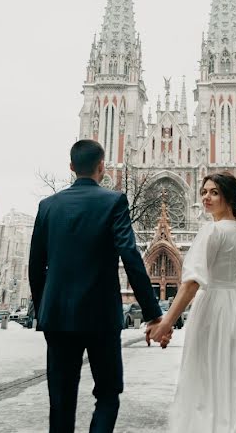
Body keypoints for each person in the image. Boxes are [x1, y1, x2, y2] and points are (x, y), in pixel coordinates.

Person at [29, 140, 164, 433]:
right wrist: (153, 313)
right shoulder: (114, 201)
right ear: (102, 166)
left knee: (61, 400)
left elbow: (35, 266)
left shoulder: (47, 206)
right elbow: (131, 256)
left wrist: (43, 310)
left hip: (58, 317)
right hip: (101, 316)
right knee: (107, 394)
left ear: (71, 167)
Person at [149, 171, 236, 433]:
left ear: (228, 197)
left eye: (214, 192)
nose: (206, 197)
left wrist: (167, 322)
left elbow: (191, 283)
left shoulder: (211, 231)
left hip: (214, 308)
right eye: (203, 192)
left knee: (206, 381)